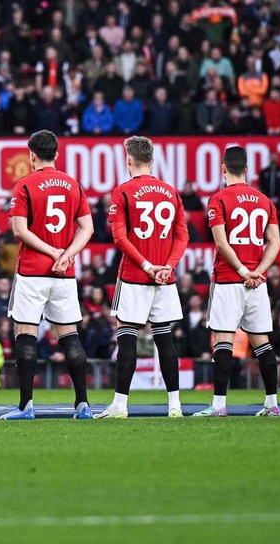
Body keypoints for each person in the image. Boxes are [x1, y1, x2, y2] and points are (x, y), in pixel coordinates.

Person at [1, 130, 95, 420]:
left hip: (32, 271)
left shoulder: (25, 184)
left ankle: (26, 406)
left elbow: (19, 230)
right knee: (69, 337)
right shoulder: (72, 185)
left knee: (25, 335)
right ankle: (83, 404)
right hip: (64, 274)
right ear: (56, 154)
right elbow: (87, 228)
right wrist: (66, 255)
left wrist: (54, 253)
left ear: (32, 155)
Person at [96, 136, 189, 419]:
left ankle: (120, 406)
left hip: (136, 275)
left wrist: (148, 266)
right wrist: (168, 266)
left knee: (127, 339)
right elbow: (182, 235)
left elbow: (119, 237)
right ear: (151, 160)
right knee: (165, 340)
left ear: (128, 160)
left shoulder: (123, 191)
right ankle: (175, 406)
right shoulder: (170, 191)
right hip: (165, 277)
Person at [193, 146, 280, 417]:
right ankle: (272, 404)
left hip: (230, 279)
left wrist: (244, 271)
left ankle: (219, 406)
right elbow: (275, 242)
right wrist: (258, 271)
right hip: (257, 282)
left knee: (223, 341)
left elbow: (221, 242)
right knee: (262, 343)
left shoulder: (218, 199)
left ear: (223, 169)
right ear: (246, 169)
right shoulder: (264, 200)